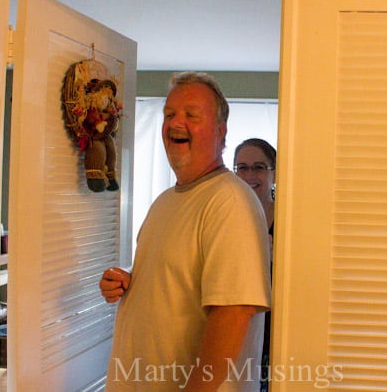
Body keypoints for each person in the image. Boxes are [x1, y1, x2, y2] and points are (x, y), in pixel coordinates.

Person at [100, 72, 271, 392]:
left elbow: (233, 312)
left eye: (191, 115)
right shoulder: (166, 202)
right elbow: (179, 281)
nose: (176, 122)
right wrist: (131, 279)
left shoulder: (229, 201)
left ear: (222, 133)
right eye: (169, 114)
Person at [233, 139, 276, 392]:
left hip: (275, 334)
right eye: (242, 168)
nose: (250, 175)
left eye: (259, 167)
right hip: (236, 331)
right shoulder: (228, 218)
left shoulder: (290, 219)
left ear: (274, 172)